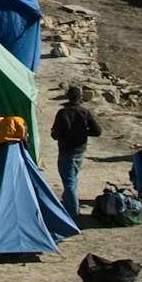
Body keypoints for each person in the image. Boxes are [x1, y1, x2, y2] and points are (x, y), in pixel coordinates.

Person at [51, 84, 102, 222]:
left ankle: (73, 213)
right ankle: (68, 204)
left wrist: (61, 136)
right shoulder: (85, 112)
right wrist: (84, 133)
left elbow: (55, 134)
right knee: (73, 180)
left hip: (66, 151)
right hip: (80, 151)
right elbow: (97, 131)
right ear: (80, 98)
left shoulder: (63, 113)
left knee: (69, 182)